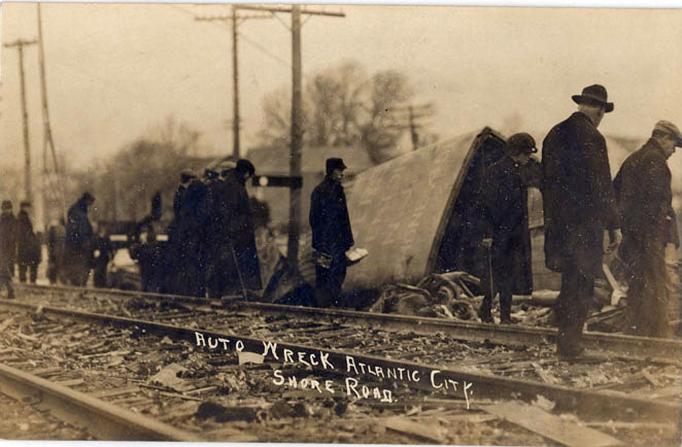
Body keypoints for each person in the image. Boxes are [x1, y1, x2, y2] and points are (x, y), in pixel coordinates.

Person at [541, 84, 622, 360]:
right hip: (584, 228)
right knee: (582, 283)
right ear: (599, 109)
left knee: (569, 283)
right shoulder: (593, 137)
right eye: (603, 111)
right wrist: (613, 226)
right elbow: (602, 186)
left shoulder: (554, 134)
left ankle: (566, 344)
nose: (601, 116)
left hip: (559, 228)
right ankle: (572, 347)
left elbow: (546, 184)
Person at [613, 121, 682, 338]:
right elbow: (659, 205)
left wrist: (624, 226)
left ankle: (636, 333)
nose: (673, 151)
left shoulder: (632, 159)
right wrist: (665, 238)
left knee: (637, 285)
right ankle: (656, 336)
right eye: (674, 145)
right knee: (655, 285)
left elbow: (614, 192)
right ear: (664, 138)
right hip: (650, 236)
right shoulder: (657, 162)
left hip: (631, 236)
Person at [478, 133, 538, 324]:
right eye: (527, 153)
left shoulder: (513, 169)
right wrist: (488, 233)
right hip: (501, 234)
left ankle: (502, 316)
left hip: (511, 233)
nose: (529, 157)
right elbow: (487, 206)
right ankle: (487, 312)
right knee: (497, 274)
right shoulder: (497, 172)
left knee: (506, 275)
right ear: (518, 152)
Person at [211, 159, 262, 298]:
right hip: (238, 236)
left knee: (236, 266)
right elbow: (230, 213)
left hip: (237, 234)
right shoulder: (235, 187)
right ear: (245, 173)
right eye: (249, 175)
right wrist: (239, 227)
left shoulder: (233, 183)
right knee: (236, 266)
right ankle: (234, 293)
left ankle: (236, 292)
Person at [310, 158, 355, 307]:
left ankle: (332, 303)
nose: (342, 174)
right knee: (326, 272)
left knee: (337, 271)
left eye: (342, 171)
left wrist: (348, 239)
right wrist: (319, 242)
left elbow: (344, 217)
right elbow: (314, 219)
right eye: (339, 170)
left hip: (337, 240)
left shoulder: (338, 190)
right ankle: (325, 305)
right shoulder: (320, 191)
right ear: (331, 171)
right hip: (326, 240)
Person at [64, 192, 96, 286]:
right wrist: (86, 242)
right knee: (80, 271)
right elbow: (81, 231)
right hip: (79, 248)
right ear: (86, 201)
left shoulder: (77, 211)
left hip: (77, 247)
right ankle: (79, 287)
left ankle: (79, 287)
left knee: (79, 271)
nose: (90, 206)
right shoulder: (79, 213)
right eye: (90, 203)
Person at [129, 224, 165, 293]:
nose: (142, 235)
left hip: (149, 271)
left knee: (148, 286)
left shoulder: (148, 248)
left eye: (144, 232)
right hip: (147, 271)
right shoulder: (146, 247)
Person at [15, 201, 41, 283]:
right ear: (23, 207)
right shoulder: (22, 218)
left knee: (24, 265)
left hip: (25, 246)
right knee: (28, 264)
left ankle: (25, 282)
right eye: (27, 207)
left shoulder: (23, 217)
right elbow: (24, 233)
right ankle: (29, 282)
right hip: (26, 245)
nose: (29, 209)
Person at [0, 201, 16, 298]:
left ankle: (11, 291)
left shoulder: (13, 220)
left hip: (8, 249)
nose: (6, 210)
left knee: (4, 268)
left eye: (7, 208)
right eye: (4, 209)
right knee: (2, 269)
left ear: (11, 209)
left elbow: (14, 236)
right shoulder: (1, 219)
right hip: (1, 248)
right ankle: (9, 291)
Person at [92, 224, 113, 288]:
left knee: (102, 271)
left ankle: (101, 284)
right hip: (100, 257)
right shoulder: (97, 238)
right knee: (99, 271)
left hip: (103, 257)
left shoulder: (105, 238)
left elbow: (110, 248)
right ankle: (98, 284)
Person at [47, 218, 67, 284]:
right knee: (60, 267)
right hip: (61, 251)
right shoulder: (64, 229)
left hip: (55, 251)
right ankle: (62, 281)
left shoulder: (53, 230)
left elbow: (50, 243)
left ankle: (53, 281)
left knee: (53, 266)